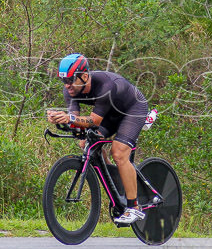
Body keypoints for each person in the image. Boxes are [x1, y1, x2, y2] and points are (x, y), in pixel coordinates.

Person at [45, 53, 149, 224]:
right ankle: (114, 178)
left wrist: (70, 119)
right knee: (86, 142)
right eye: (64, 81)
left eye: (71, 80)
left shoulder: (105, 86)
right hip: (111, 113)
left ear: (84, 76)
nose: (67, 85)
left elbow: (94, 121)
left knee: (119, 152)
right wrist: (60, 119)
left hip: (133, 109)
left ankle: (134, 208)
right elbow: (77, 121)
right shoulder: (70, 91)